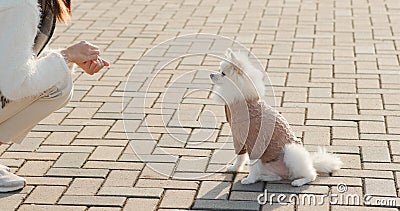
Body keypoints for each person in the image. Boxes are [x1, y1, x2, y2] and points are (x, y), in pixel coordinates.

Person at [0, 0, 110, 192]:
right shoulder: (22, 6)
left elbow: (11, 65)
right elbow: (14, 84)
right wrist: (67, 56)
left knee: (59, 78)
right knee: (58, 85)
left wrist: (68, 58)